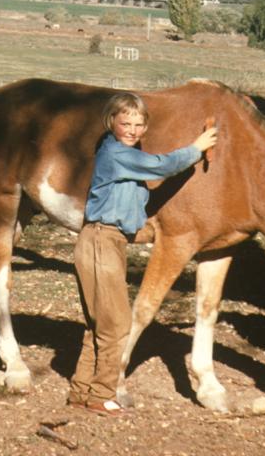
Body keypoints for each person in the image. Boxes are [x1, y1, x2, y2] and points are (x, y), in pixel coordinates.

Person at [68, 92, 218, 416]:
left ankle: (81, 391)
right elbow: (160, 166)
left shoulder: (119, 153)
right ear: (112, 123)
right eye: (126, 123)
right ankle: (101, 394)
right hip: (101, 242)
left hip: (105, 241)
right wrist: (198, 148)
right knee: (118, 324)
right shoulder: (117, 153)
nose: (133, 130)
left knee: (98, 322)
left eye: (139, 124)